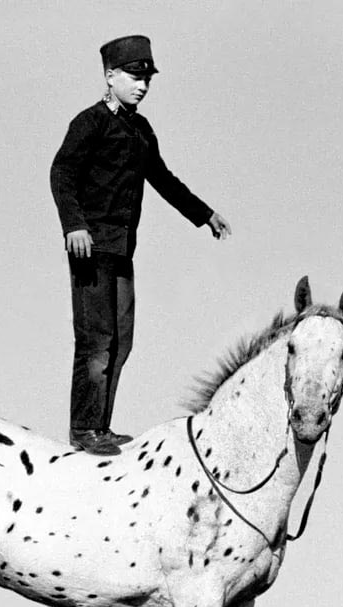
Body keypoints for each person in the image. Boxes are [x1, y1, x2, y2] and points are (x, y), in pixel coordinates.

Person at [50, 34, 231, 456]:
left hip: (121, 251)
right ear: (110, 76)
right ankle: (84, 430)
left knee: (121, 341)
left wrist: (204, 214)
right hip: (90, 249)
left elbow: (163, 179)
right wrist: (73, 226)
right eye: (134, 76)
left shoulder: (141, 129)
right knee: (96, 343)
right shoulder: (90, 122)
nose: (142, 85)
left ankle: (101, 426)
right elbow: (62, 173)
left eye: (147, 78)